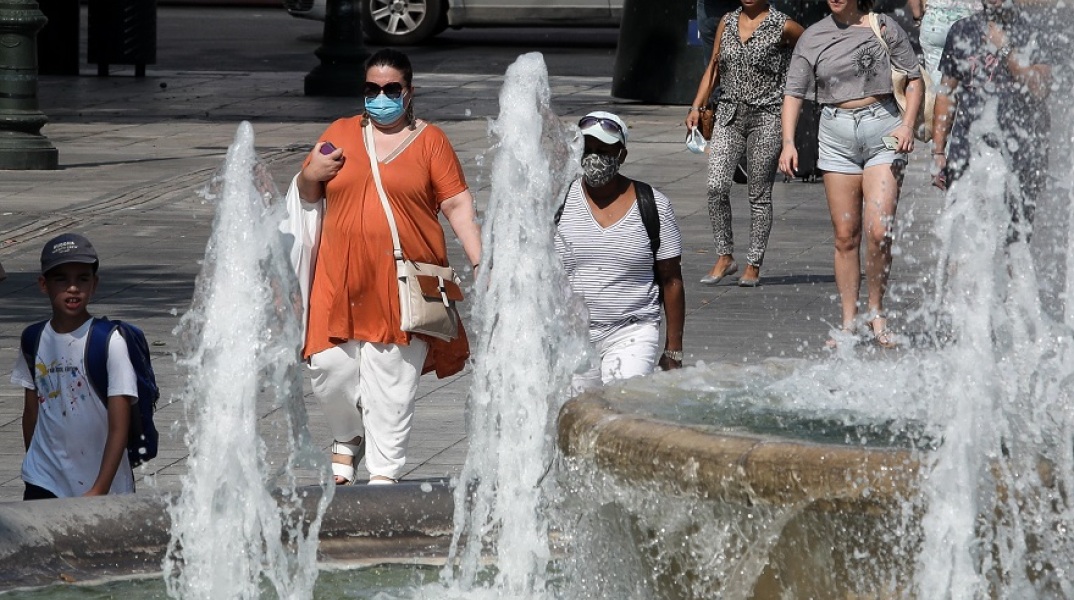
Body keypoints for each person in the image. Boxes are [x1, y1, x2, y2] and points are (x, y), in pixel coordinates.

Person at [296, 49, 482, 485]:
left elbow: (456, 204)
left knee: (391, 387)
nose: (380, 97)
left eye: (391, 89)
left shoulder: (430, 141)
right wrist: (310, 174)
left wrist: (480, 261)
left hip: (403, 282)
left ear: (409, 92)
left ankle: (384, 478)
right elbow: (306, 192)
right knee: (328, 368)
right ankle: (348, 435)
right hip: (337, 278)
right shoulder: (340, 133)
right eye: (371, 88)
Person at [778, 0, 923, 348]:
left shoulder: (882, 26)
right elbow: (793, 93)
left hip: (883, 129)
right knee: (845, 236)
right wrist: (788, 143)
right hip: (835, 134)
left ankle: (876, 312)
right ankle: (848, 322)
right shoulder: (813, 36)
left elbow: (915, 79)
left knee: (879, 230)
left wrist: (907, 125)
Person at [554, 111, 686, 390]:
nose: (594, 158)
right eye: (588, 150)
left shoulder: (654, 205)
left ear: (622, 155)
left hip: (632, 331)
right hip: (571, 336)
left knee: (621, 405)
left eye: (603, 151)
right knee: (577, 413)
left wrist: (673, 349)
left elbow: (672, 279)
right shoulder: (558, 202)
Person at [10, 233, 137, 500]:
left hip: (102, 484)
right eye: (61, 279)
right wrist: (34, 466)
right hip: (44, 479)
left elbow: (119, 426)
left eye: (82, 279)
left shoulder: (108, 341)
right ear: (43, 284)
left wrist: (99, 490)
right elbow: (31, 412)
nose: (73, 288)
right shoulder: (33, 338)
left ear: (94, 284)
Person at [687, 0, 804, 287]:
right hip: (729, 115)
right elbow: (714, 66)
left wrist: (795, 92)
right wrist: (697, 105)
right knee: (716, 186)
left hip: (767, 117)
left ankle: (753, 264)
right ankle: (724, 256)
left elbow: (810, 51)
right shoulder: (727, 21)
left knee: (759, 193)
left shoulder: (784, 25)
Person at [930, 0, 1054, 243]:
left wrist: (1005, 49)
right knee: (964, 239)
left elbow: (1039, 88)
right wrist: (938, 151)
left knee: (1015, 241)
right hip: (968, 149)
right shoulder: (962, 30)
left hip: (1019, 153)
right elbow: (946, 93)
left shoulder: (1033, 30)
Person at [908, 0, 979, 89]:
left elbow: (915, 4)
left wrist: (918, 16)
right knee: (974, 72)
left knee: (935, 74)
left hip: (936, 20)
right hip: (969, 21)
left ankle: (937, 95)